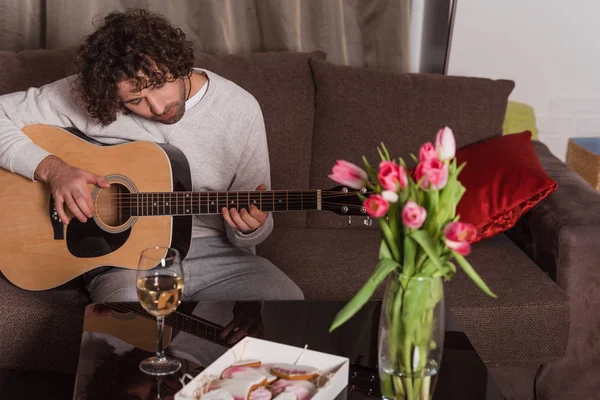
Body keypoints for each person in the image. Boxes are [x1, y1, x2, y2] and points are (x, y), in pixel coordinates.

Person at [0, 8, 303, 302]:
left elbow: (255, 223)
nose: (157, 108)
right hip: (125, 263)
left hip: (218, 254)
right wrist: (54, 169)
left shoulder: (239, 109)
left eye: (158, 84)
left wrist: (250, 226)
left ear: (177, 61)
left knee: (284, 297)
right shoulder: (96, 95)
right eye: (135, 101)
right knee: (128, 323)